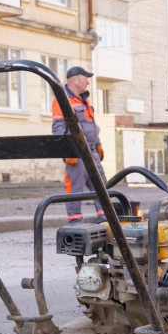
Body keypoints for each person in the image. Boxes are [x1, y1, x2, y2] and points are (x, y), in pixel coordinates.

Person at [52, 66, 108, 224]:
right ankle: (75, 223)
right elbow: (58, 128)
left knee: (102, 187)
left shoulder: (85, 100)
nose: (88, 82)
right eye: (85, 78)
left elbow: (91, 125)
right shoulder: (61, 101)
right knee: (74, 190)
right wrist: (66, 150)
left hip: (91, 151)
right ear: (75, 80)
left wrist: (98, 144)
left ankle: (107, 220)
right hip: (75, 153)